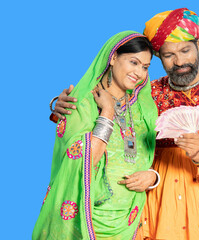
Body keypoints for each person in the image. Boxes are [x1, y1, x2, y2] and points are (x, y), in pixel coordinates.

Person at [52, 8, 199, 240]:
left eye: (186, 50)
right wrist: (61, 105)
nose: (179, 62)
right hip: (159, 212)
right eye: (169, 55)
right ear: (158, 57)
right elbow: (104, 105)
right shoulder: (148, 95)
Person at [34, 31, 159, 240]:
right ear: (113, 58)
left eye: (145, 67)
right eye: (133, 62)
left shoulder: (143, 109)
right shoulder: (82, 103)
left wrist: (152, 176)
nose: (139, 73)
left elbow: (155, 156)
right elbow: (84, 160)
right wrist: (107, 114)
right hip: (85, 221)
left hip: (128, 225)